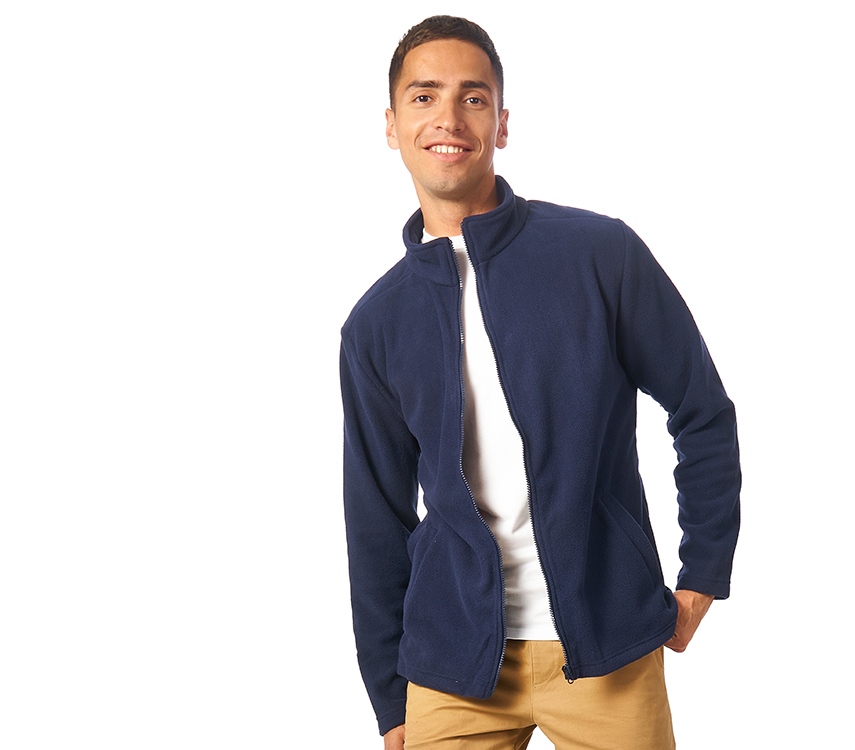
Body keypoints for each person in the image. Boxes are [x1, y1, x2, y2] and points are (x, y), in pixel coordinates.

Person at [340, 15, 741, 750]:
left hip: (606, 645)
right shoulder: (375, 324)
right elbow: (374, 515)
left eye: (473, 97)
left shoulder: (599, 254)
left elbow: (701, 408)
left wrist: (703, 572)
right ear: (392, 126)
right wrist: (390, 699)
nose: (448, 117)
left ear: (501, 123)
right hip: (452, 667)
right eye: (424, 97)